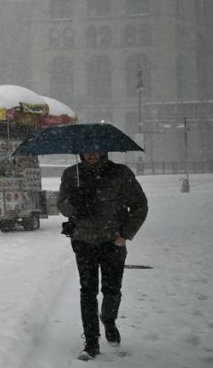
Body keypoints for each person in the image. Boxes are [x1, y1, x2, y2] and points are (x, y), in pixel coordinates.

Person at [57, 151, 148, 361]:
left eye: (95, 150)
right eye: (87, 151)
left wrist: (125, 235)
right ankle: (91, 342)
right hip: (84, 242)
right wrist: (75, 200)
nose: (91, 155)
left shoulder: (120, 173)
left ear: (103, 150)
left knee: (112, 289)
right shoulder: (72, 174)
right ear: (81, 152)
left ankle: (108, 319)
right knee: (88, 292)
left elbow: (140, 205)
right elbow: (63, 207)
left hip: (113, 242)